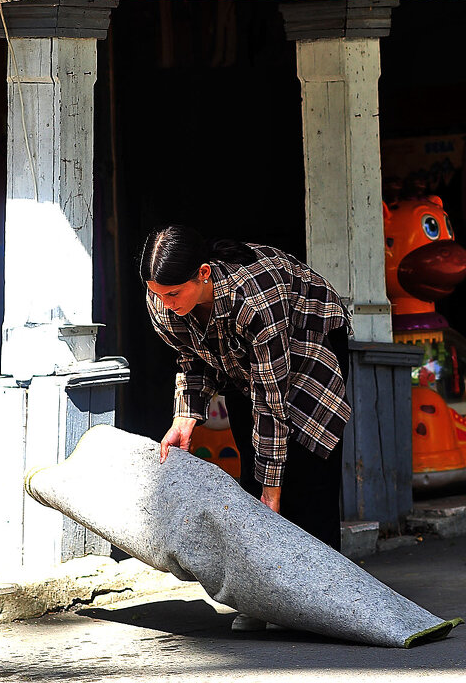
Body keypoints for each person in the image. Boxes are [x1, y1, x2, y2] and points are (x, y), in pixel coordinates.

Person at [139, 224, 352, 630]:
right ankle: (264, 600)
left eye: (172, 294)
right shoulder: (163, 302)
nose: (164, 304)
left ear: (203, 273)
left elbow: (271, 402)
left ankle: (322, 601)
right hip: (241, 361)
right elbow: (192, 359)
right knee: (253, 474)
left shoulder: (252, 299)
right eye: (157, 293)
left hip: (308, 336)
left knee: (305, 471)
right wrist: (186, 414)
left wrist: (271, 491)